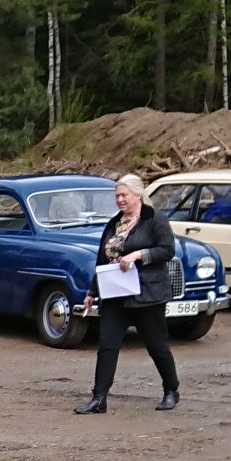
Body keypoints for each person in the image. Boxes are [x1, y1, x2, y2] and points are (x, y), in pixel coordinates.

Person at [75, 174, 180, 415]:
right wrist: (93, 292)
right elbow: (103, 260)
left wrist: (139, 255)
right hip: (115, 294)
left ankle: (171, 390)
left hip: (147, 295)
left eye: (124, 195)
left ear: (138, 195)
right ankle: (99, 398)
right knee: (107, 346)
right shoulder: (114, 223)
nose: (120, 200)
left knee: (157, 346)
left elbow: (167, 250)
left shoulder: (155, 219)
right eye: (117, 196)